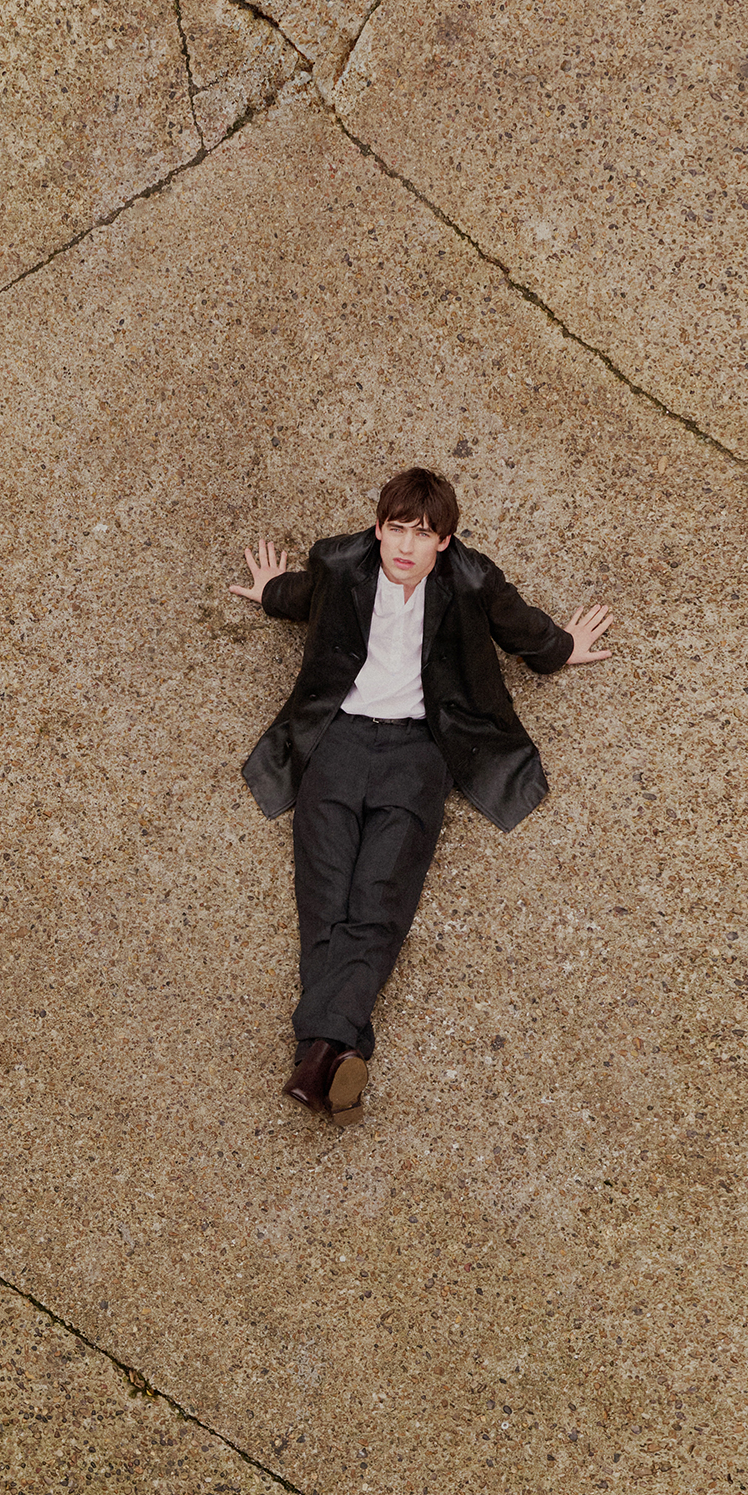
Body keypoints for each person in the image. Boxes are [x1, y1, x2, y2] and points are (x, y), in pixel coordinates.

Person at [231, 466, 613, 1126]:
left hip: (418, 752)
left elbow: (520, 629)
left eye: (424, 533)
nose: (406, 546)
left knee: (378, 901)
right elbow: (306, 595)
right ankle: (331, 1057)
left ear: (446, 542)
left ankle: (317, 1056)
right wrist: (271, 594)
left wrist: (561, 649)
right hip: (338, 743)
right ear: (377, 529)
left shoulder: (471, 579)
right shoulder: (340, 563)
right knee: (324, 899)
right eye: (397, 529)